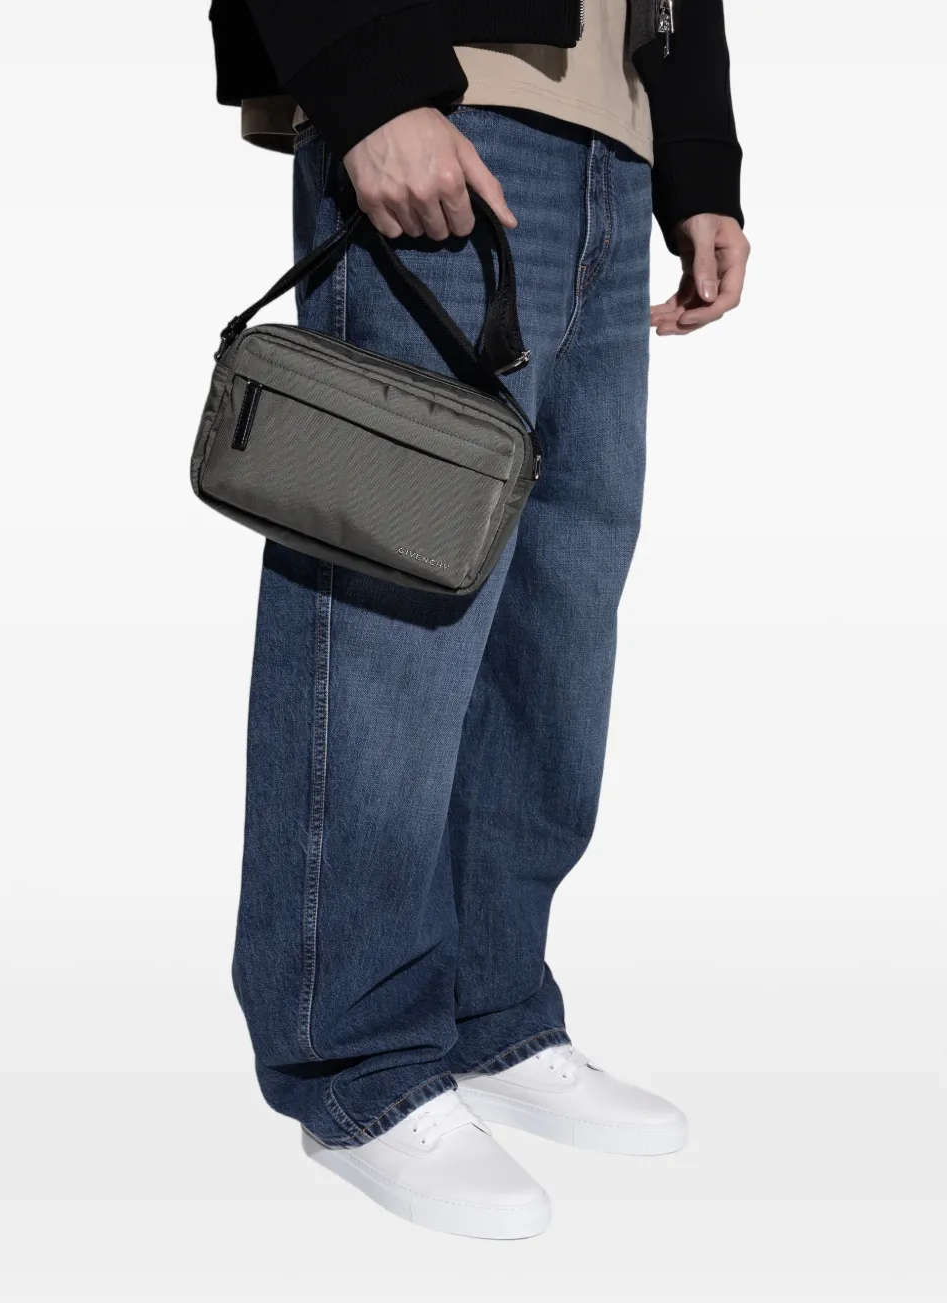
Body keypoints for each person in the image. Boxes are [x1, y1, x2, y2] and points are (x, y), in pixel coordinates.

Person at [208, 0, 749, 1238]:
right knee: (392, 601)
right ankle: (353, 1058)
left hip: (613, 137)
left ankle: (488, 1008)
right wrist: (362, 78)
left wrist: (694, 161)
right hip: (443, 94)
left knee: (557, 611)